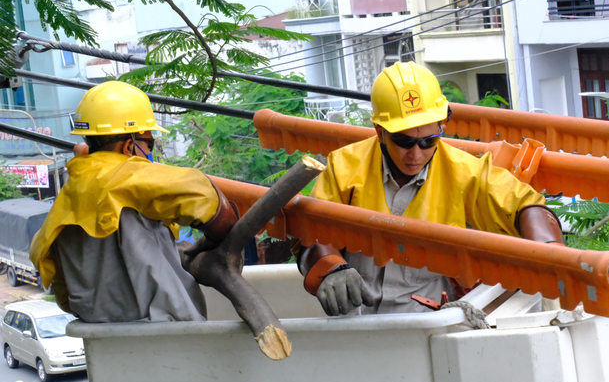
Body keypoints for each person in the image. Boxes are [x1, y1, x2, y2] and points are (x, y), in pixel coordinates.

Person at [295, 62, 564, 316]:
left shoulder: (465, 173)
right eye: (403, 142)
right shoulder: (344, 167)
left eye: (428, 141)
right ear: (379, 131)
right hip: (357, 322)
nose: (416, 154)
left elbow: (526, 206)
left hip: (430, 323)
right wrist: (329, 268)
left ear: (442, 125)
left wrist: (549, 251)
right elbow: (311, 232)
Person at [30, 81, 238, 323]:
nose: (150, 154)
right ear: (130, 145)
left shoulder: (70, 193)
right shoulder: (122, 177)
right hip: (166, 332)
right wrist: (224, 227)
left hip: (104, 330)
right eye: (149, 144)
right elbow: (201, 194)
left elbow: (63, 292)